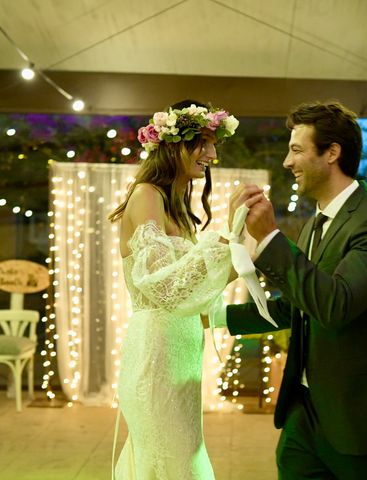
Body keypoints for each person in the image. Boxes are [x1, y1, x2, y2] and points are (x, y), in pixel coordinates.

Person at [227, 100, 367, 479]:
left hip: (365, 422)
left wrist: (269, 237)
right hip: (305, 414)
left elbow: (335, 305)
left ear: (332, 152)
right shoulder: (315, 224)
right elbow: (299, 306)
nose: (287, 162)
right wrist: (212, 316)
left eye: (297, 150)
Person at [108, 99, 240, 479]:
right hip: (157, 354)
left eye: (214, 144)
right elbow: (165, 287)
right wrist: (224, 247)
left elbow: (193, 288)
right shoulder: (146, 195)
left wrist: (235, 261)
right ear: (174, 144)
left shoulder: (178, 204)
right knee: (171, 459)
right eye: (204, 143)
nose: (212, 154)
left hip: (182, 353)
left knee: (182, 454)